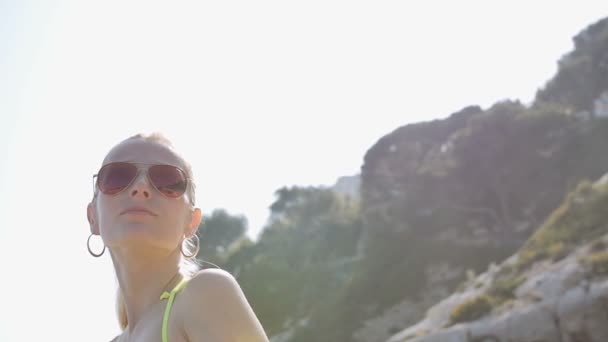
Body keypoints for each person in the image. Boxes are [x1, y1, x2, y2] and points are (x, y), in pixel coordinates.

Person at [86, 132, 269, 342]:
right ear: (93, 218)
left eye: (168, 181)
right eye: (117, 177)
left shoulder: (206, 293)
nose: (140, 187)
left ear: (192, 222)